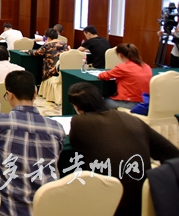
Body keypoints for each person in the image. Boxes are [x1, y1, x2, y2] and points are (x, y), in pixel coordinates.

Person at [68, 83, 179, 216]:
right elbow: (171, 153)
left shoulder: (79, 122)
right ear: (101, 99)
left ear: (77, 107)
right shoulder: (131, 119)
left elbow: (75, 145)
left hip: (109, 203)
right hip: (147, 198)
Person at [0, 71, 65, 216]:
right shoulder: (56, 129)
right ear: (35, 94)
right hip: (46, 208)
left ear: (9, 95)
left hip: (8, 210)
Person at [98, 43, 152, 110]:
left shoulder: (122, 67)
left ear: (120, 55)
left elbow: (103, 76)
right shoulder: (147, 66)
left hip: (130, 103)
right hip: (146, 103)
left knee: (101, 101)